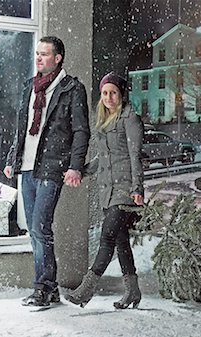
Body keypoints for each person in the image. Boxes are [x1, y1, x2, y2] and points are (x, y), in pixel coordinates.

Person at [3, 36, 90, 307]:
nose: (38, 58)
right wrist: (12, 159)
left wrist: (75, 166)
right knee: (34, 229)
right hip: (27, 167)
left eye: (44, 54)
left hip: (52, 167)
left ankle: (43, 286)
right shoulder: (31, 87)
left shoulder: (71, 88)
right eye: (37, 54)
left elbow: (80, 131)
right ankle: (48, 288)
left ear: (58, 57)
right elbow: (22, 128)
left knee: (40, 227)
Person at [64, 72, 144, 309]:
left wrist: (137, 188)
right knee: (121, 242)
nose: (109, 97)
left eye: (114, 93)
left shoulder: (130, 119)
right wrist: (81, 170)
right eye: (105, 93)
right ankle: (133, 291)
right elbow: (105, 157)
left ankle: (85, 291)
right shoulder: (105, 119)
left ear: (121, 94)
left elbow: (134, 156)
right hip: (107, 189)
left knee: (107, 238)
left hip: (124, 189)